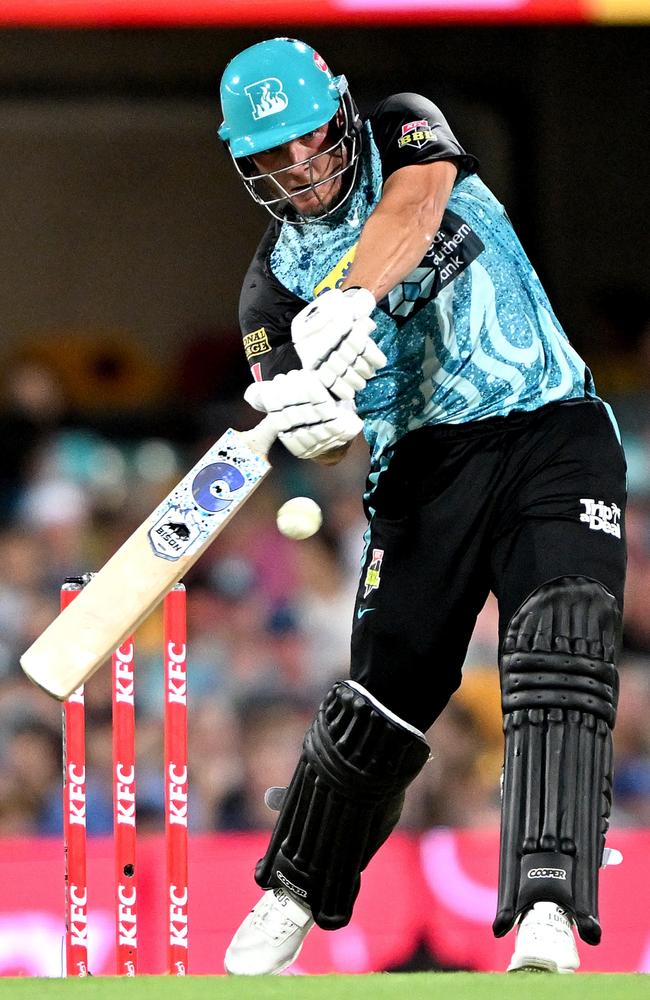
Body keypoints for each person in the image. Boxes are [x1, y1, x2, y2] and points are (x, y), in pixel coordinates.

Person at [217, 37, 627, 975]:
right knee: (382, 701)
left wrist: (355, 297)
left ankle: (550, 902)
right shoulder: (270, 290)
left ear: (341, 114)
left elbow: (417, 205)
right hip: (420, 472)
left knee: (563, 636)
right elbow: (297, 407)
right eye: (271, 156)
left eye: (310, 139)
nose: (301, 168)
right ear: (245, 163)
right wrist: (310, 416)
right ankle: (296, 889)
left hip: (548, 430)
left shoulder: (405, 126)